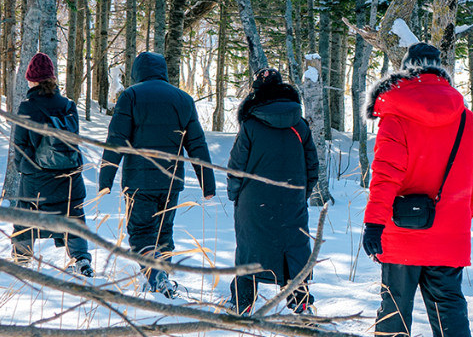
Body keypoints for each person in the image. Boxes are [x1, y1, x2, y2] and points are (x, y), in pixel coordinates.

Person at [360, 42, 473, 337]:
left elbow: (385, 176)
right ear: (441, 71)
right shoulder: (468, 120)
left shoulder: (396, 115)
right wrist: (459, 213)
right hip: (448, 236)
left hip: (401, 233)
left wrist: (374, 222)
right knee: (449, 307)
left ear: (406, 70)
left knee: (395, 304)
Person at [95, 50, 213, 297]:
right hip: (171, 182)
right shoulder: (183, 99)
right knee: (163, 232)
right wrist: (207, 184)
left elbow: (116, 140)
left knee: (141, 233)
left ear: (138, 72)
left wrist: (106, 178)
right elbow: (197, 145)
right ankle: (162, 277)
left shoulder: (131, 96)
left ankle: (157, 277)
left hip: (139, 181)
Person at [226, 68, 319, 314]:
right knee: (295, 249)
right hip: (292, 198)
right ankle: (300, 304)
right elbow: (312, 166)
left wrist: (235, 194)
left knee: (249, 249)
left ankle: (241, 304)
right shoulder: (300, 125)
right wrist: (302, 194)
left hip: (253, 201)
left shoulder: (250, 125)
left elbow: (236, 166)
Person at [11, 53, 93, 277]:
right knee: (73, 217)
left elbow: (20, 146)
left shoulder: (27, 107)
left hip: (37, 179)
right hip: (70, 178)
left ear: (32, 80)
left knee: (26, 218)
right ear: (52, 79)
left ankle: (21, 260)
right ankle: (82, 260)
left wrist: (28, 169)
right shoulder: (68, 105)